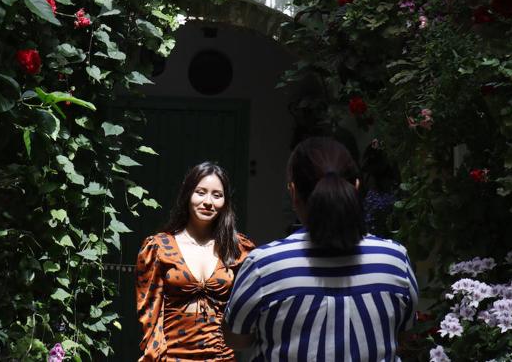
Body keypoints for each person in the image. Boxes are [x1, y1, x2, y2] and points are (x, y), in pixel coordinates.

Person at [223, 137, 418, 361]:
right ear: (355, 187)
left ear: (293, 192)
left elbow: (236, 339)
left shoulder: (264, 266)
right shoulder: (394, 260)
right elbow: (404, 335)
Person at [135, 161, 254, 361]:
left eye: (217, 195)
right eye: (200, 192)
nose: (208, 201)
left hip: (221, 357)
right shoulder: (159, 247)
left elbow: (250, 305)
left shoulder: (238, 248)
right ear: (188, 195)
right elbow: (149, 315)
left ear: (225, 202)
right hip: (171, 356)